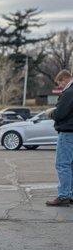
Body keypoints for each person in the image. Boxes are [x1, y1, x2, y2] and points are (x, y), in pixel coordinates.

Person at [46, 69, 73, 206]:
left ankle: (63, 196)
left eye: (60, 83)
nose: (60, 86)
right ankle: (71, 194)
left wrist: (52, 113)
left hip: (68, 133)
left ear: (65, 79)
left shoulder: (68, 93)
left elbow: (60, 113)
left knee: (62, 165)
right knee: (71, 166)